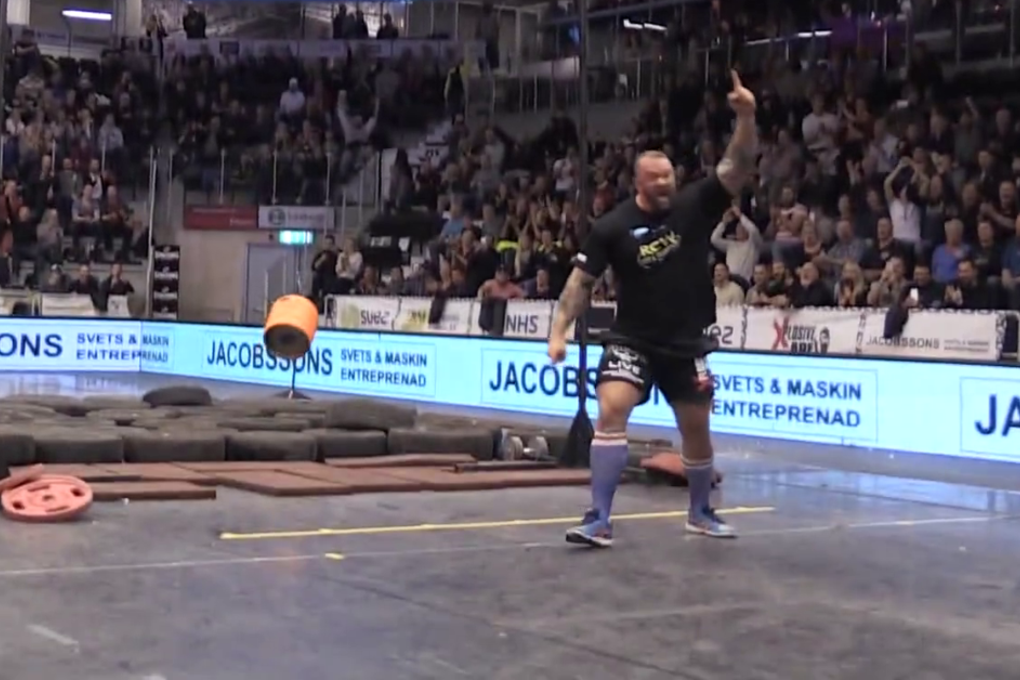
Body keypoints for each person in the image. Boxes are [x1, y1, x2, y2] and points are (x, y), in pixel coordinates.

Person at [547, 71, 758, 546]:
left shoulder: (695, 204)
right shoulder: (612, 226)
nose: (665, 183)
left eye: (669, 176)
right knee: (612, 408)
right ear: (638, 182)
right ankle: (599, 517)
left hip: (686, 341)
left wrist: (746, 117)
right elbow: (580, 283)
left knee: (697, 428)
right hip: (633, 339)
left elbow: (737, 166)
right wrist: (558, 331)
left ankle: (700, 512)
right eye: (656, 178)